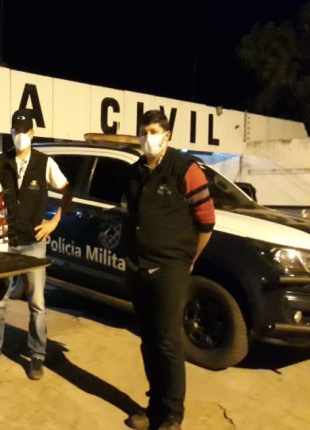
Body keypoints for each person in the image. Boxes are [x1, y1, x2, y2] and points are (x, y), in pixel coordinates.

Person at [123, 110, 215, 430]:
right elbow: (131, 216)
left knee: (167, 341)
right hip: (139, 266)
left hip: (170, 268)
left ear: (167, 135)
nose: (147, 137)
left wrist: (188, 259)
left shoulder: (186, 168)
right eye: (143, 132)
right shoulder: (135, 172)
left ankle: (173, 414)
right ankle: (154, 406)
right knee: (148, 340)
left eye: (153, 131)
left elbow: (206, 222)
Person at [0, 108, 72, 380]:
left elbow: (67, 190)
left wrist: (54, 222)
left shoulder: (44, 162)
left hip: (33, 243)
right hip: (6, 243)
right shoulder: (0, 161)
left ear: (33, 133)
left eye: (25, 131)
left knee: (37, 303)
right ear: (11, 132)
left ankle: (37, 356)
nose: (20, 135)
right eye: (16, 131)